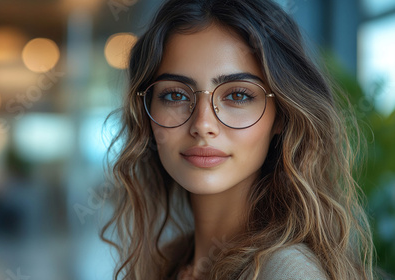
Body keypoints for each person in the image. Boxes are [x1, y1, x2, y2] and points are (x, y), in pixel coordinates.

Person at [101, 0, 374, 279]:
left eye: (238, 95)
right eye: (175, 95)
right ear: (145, 112)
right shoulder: (167, 262)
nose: (203, 125)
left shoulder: (286, 272)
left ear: (281, 115)